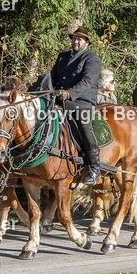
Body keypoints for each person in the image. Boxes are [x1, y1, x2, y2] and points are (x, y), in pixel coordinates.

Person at [50, 27, 103, 185]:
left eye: (79, 39)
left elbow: (87, 82)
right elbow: (52, 76)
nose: (76, 41)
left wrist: (69, 93)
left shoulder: (91, 58)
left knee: (83, 122)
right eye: (74, 38)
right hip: (60, 99)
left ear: (86, 42)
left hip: (82, 101)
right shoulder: (63, 57)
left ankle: (95, 168)